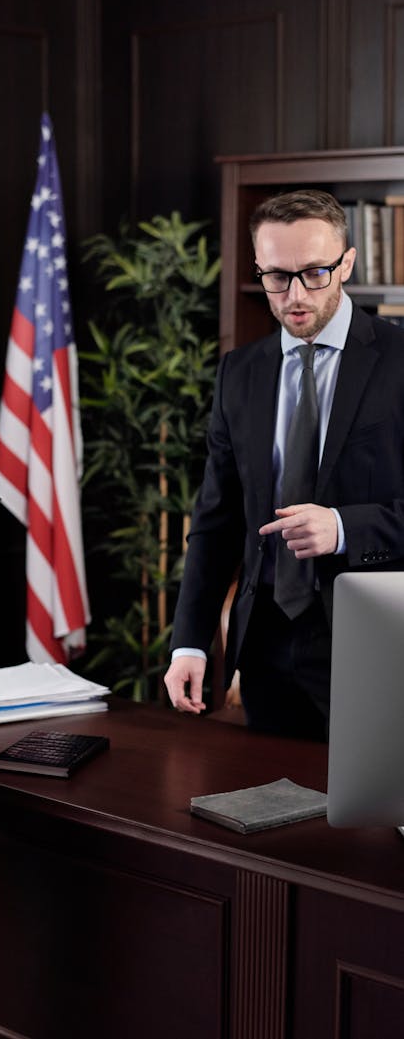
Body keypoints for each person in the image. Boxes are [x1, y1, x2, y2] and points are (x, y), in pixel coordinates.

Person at [164, 188, 404, 740]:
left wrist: (344, 527)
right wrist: (190, 642)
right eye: (276, 276)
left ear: (346, 263)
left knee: (363, 821)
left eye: (314, 273)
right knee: (272, 813)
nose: (295, 295)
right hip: (264, 641)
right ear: (258, 268)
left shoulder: (398, 362)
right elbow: (215, 522)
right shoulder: (239, 374)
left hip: (372, 644)